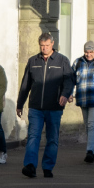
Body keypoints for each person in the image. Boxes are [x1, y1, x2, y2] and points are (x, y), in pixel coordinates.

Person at [16, 33, 75, 178]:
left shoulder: (62, 61)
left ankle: (48, 167)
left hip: (54, 107)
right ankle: (30, 166)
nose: (44, 48)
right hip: (36, 107)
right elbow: (25, 85)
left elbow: (69, 80)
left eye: (47, 45)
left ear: (52, 44)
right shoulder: (33, 61)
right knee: (33, 136)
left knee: (52, 138)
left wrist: (65, 94)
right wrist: (20, 104)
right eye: (42, 46)